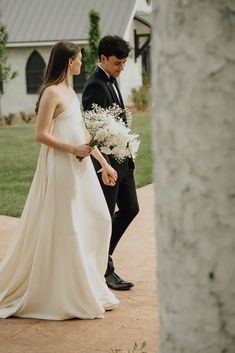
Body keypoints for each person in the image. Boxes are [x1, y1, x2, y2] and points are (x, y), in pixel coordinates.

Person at [0, 41, 120, 320]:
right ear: (69, 61)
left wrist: (103, 164)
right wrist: (73, 151)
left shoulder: (70, 91)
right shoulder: (51, 93)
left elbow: (83, 135)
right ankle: (67, 292)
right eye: (79, 59)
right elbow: (41, 134)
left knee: (100, 218)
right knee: (69, 225)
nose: (81, 63)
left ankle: (88, 284)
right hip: (61, 166)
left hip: (81, 168)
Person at [82, 35, 139, 291]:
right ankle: (103, 269)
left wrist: (128, 156)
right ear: (103, 58)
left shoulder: (113, 81)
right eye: (118, 63)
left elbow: (118, 125)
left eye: (124, 63)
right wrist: (106, 165)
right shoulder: (95, 86)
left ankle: (101, 257)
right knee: (105, 217)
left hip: (124, 162)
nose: (121, 68)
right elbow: (94, 132)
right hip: (107, 166)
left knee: (131, 209)